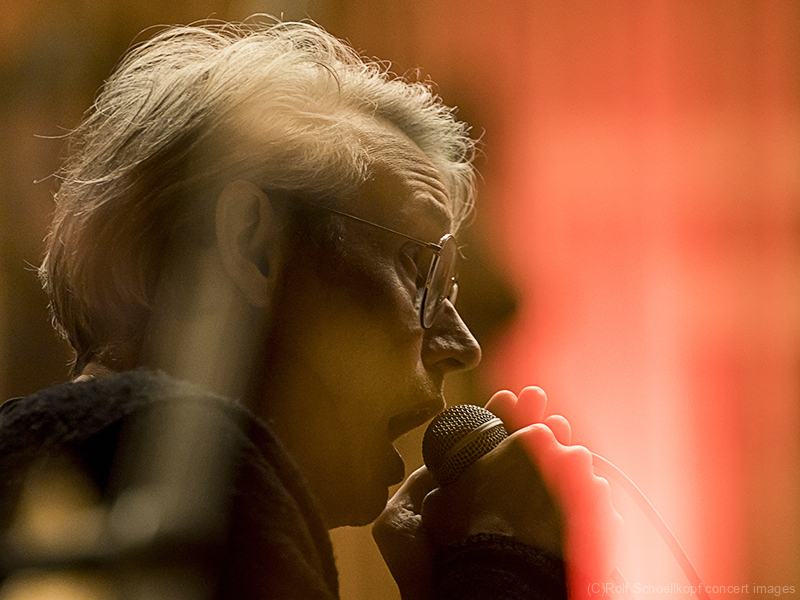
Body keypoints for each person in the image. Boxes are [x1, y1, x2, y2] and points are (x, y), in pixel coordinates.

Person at [0, 17, 619, 600]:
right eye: (421, 271)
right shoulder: (195, 465)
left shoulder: (75, 456)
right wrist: (506, 563)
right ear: (254, 247)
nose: (463, 345)